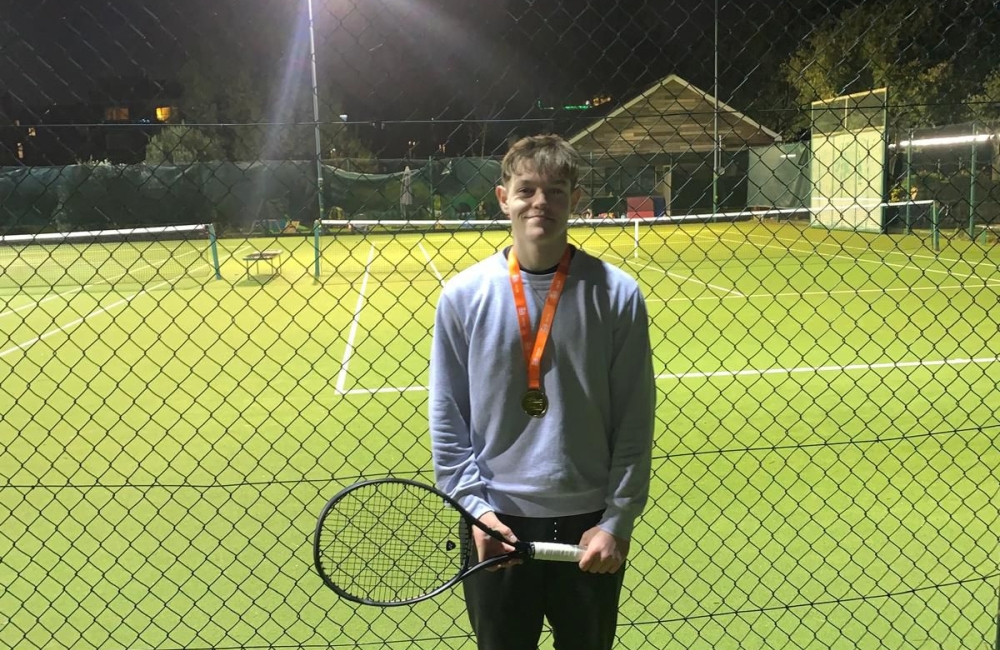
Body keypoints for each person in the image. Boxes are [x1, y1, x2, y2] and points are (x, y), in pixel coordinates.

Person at [427, 134, 655, 650]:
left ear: (576, 201)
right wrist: (476, 512)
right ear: (503, 197)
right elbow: (447, 417)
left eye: (556, 191)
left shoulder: (617, 293)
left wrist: (616, 520)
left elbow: (634, 417)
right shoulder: (463, 296)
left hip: (589, 523)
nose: (541, 203)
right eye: (527, 189)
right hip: (496, 523)